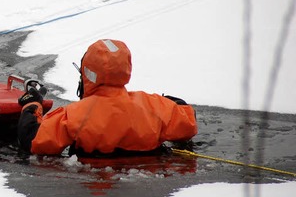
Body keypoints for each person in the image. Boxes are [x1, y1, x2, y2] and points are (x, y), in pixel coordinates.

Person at [17, 39, 197, 156]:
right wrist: (166, 102)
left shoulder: (73, 116)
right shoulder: (156, 107)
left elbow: (32, 141)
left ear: (87, 73)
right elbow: (188, 124)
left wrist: (32, 104)